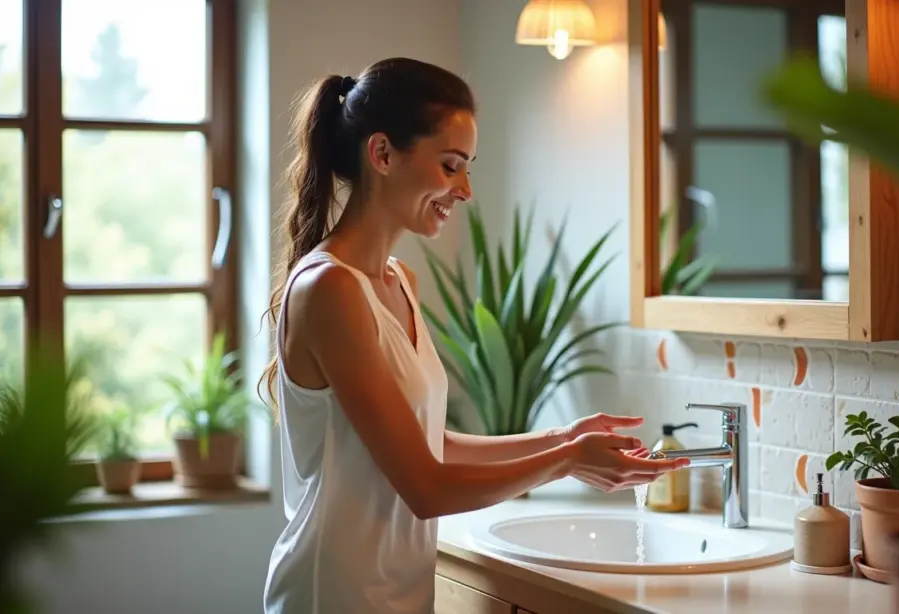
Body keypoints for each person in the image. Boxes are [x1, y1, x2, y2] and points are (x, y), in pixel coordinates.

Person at [259, 57, 691, 614]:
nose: (464, 189)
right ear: (383, 154)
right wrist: (566, 461)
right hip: (333, 596)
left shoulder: (397, 281)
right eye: (450, 166)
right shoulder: (330, 290)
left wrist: (563, 438)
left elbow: (429, 443)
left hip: (396, 595)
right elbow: (425, 486)